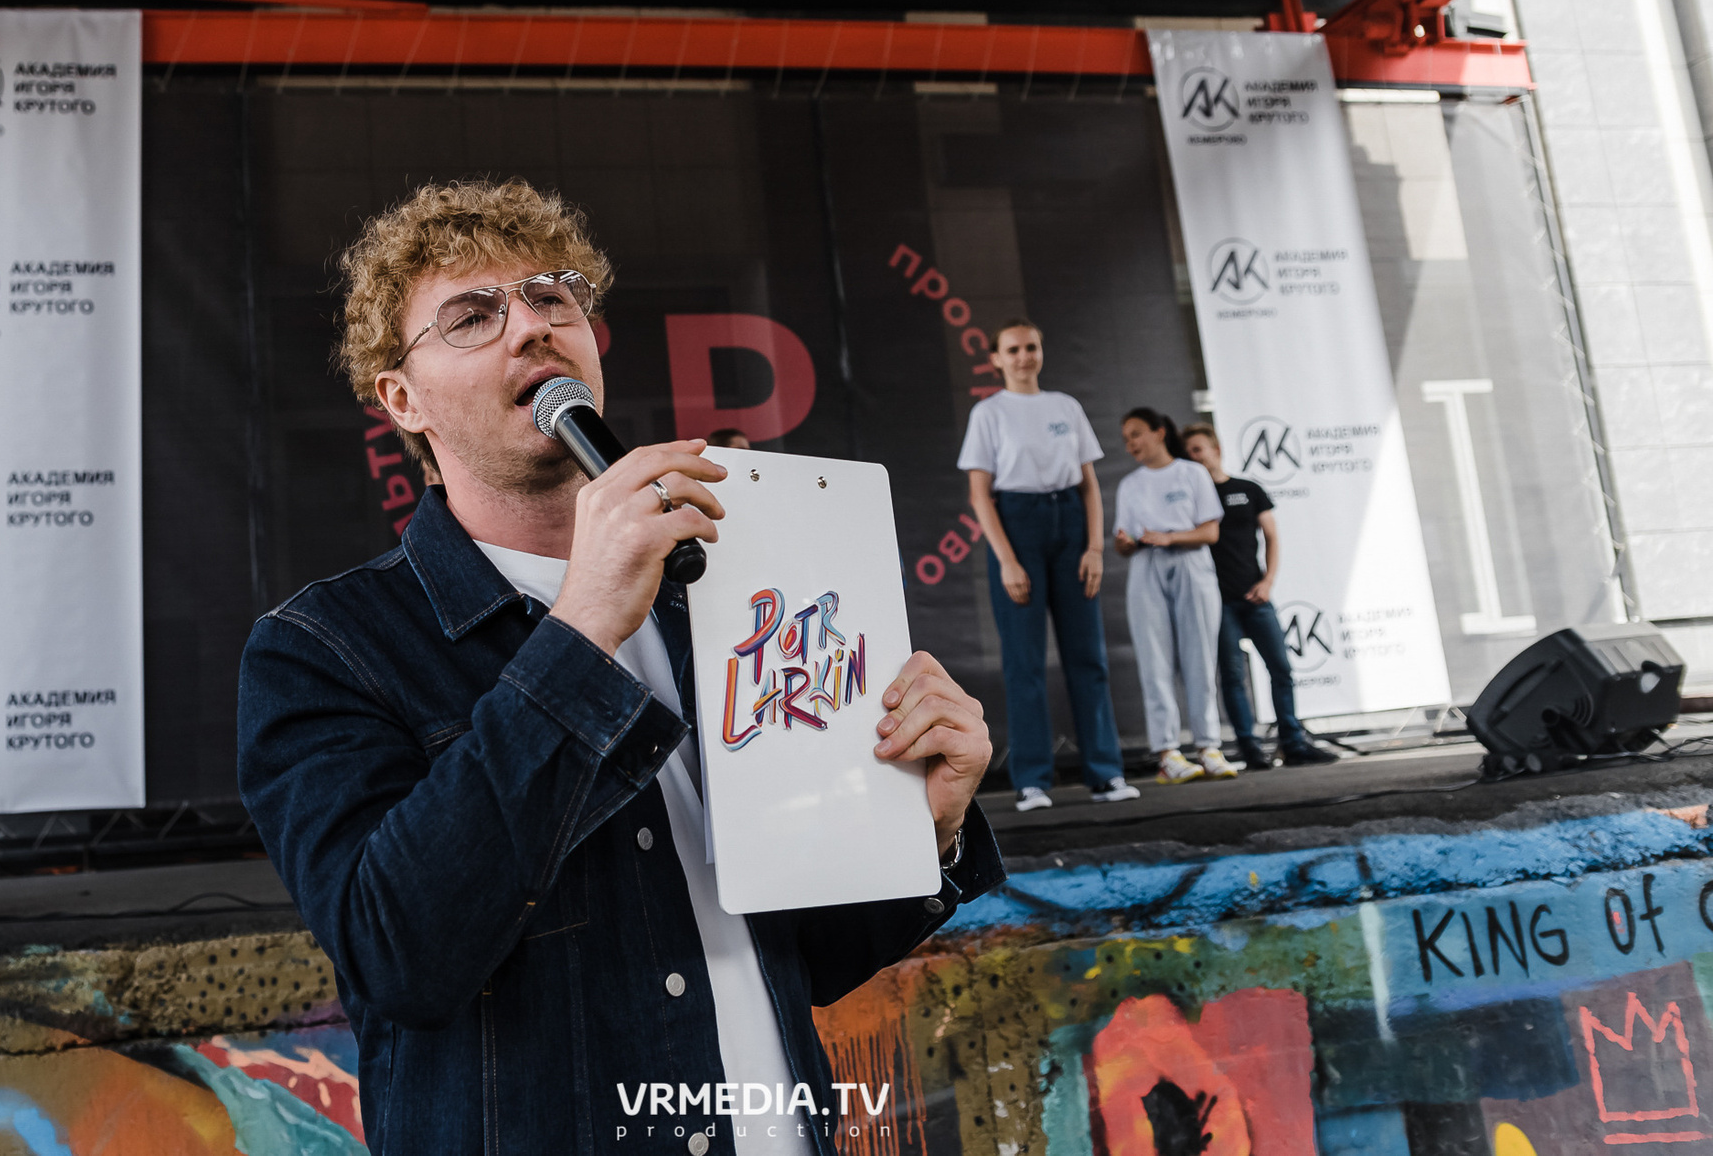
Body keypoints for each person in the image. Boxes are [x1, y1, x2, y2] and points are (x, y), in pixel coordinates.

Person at [236, 179, 1004, 1156]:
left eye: (551, 296)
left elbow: (799, 956)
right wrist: (584, 625)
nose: (531, 326)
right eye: (472, 316)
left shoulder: (717, 599)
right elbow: (400, 956)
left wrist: (923, 829)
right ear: (403, 397)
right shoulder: (323, 648)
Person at [958, 320, 1137, 810]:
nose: (1024, 356)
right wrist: (1008, 560)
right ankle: (1033, 780)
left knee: (1088, 657)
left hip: (1071, 524)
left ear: (1041, 351)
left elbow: (1089, 484)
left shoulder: (1066, 407)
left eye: (1031, 347)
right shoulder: (988, 413)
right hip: (1018, 526)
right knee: (1025, 662)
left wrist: (1094, 548)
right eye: (1013, 349)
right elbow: (979, 495)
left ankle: (1107, 773)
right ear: (996, 358)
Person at [1180, 423, 1338, 769]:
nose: (1194, 457)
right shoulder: (1191, 499)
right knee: (1233, 676)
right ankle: (1250, 748)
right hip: (1218, 602)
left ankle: (1293, 743)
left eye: (1198, 449)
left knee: (1281, 669)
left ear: (1216, 449)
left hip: (1256, 596)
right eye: (1188, 453)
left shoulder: (1248, 489)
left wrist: (1267, 581)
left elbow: (1272, 536)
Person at [1112, 408, 1237, 784]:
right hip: (1147, 567)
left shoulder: (1192, 473)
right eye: (1126, 439)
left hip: (1190, 564)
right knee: (1155, 662)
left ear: (1159, 432)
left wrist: (1170, 537)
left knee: (1200, 657)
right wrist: (1125, 543)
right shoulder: (1130, 484)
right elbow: (1123, 542)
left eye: (1137, 434)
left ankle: (1209, 746)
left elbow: (1210, 532)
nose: (1131, 444)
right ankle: (1168, 753)